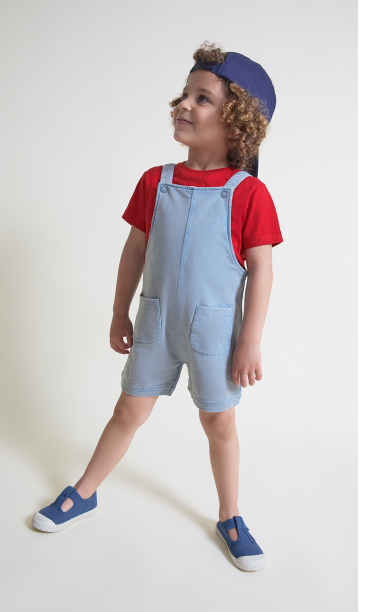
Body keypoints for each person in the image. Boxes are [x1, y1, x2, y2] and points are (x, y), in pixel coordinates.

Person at [32, 41, 283, 572]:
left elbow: (261, 269)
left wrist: (250, 340)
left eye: (203, 98)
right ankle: (85, 491)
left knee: (218, 423)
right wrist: (118, 311)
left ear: (237, 122)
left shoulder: (248, 195)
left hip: (215, 335)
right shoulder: (156, 182)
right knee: (128, 410)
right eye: (185, 93)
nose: (184, 104)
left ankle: (231, 516)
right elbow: (134, 251)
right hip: (155, 323)